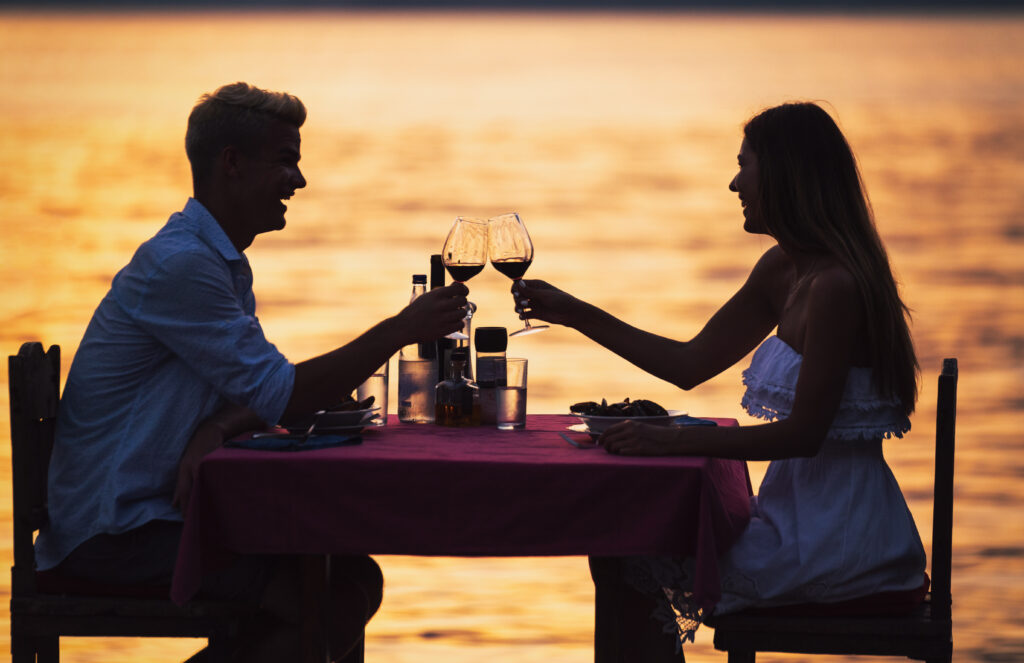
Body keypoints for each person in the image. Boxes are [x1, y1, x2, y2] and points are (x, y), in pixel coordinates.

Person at [34, 82, 469, 662]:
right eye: (286, 161)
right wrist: (399, 331)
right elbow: (284, 394)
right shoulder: (183, 266)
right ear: (232, 164)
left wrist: (215, 428)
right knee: (325, 594)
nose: (300, 180)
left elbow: (257, 393)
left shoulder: (217, 264)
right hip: (111, 535)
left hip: (156, 516)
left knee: (349, 576)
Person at [512, 102, 927, 661]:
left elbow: (802, 436)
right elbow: (689, 365)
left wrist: (674, 440)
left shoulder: (836, 285)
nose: (734, 183)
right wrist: (575, 313)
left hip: (842, 542)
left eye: (744, 165)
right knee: (621, 541)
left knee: (627, 546)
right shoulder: (783, 268)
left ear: (783, 175)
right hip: (790, 519)